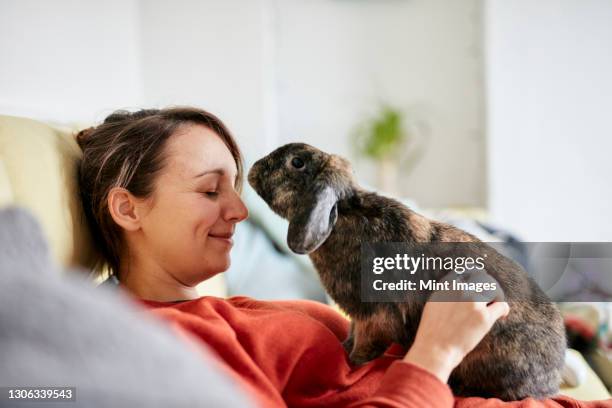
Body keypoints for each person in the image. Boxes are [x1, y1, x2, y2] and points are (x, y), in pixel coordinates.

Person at [76, 107, 607, 408]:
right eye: (210, 191)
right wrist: (436, 354)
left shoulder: (239, 309)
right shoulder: (170, 344)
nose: (239, 209)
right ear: (128, 208)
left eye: (235, 188)